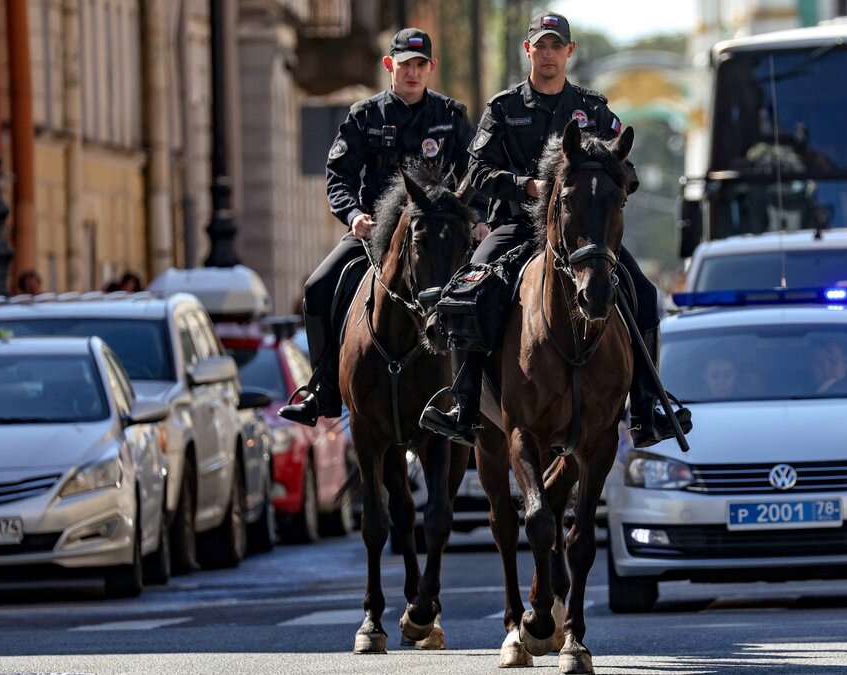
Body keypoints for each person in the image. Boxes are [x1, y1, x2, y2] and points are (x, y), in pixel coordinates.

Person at [419, 11, 691, 448]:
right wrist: (523, 184)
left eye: (555, 46)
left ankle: (646, 404)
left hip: (581, 233)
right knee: (469, 289)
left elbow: (628, 169)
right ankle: (464, 401)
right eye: (539, 46)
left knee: (643, 292)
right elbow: (477, 170)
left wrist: (603, 176)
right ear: (528, 50)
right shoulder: (503, 108)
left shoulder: (594, 108)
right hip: (517, 227)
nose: (547, 54)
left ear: (569, 51)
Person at [279, 28, 478, 427]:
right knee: (318, 287)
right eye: (405, 65)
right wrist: (353, 215)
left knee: (488, 290)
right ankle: (324, 390)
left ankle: (478, 394)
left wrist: (477, 221)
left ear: (430, 69)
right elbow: (339, 175)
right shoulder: (365, 116)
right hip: (375, 236)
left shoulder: (450, 116)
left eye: (421, 65)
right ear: (390, 66)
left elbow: (475, 172)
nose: (413, 73)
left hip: (436, 239)